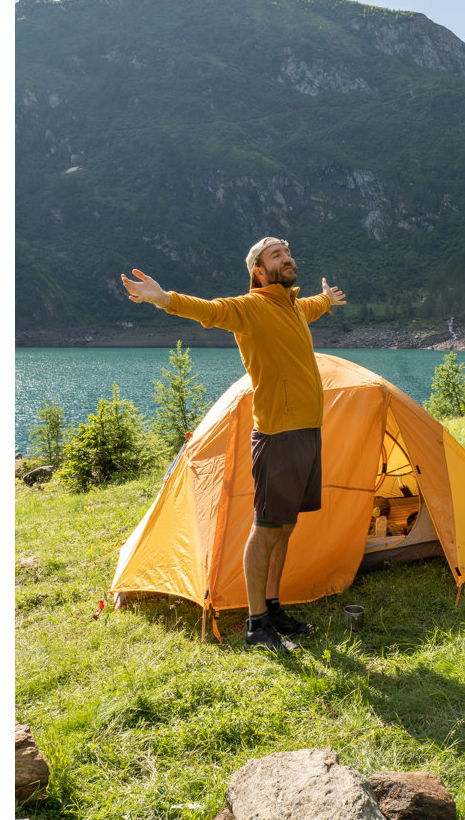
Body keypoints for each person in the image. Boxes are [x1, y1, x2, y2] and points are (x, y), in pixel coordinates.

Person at [120, 238, 346, 652]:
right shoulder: (252, 308)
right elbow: (210, 311)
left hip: (306, 431)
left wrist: (326, 300)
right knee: (265, 529)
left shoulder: (294, 306)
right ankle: (257, 625)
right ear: (259, 272)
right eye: (276, 255)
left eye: (287, 251)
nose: (287, 257)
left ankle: (273, 607)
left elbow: (311, 306)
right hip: (278, 434)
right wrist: (164, 299)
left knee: (287, 525)